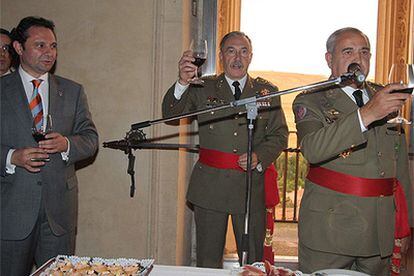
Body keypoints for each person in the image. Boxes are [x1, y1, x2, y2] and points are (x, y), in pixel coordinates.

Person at [162, 31, 288, 268]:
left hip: (250, 187)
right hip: (210, 187)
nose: (237, 57)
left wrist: (259, 156)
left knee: (253, 262)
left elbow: (279, 134)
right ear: (221, 56)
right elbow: (170, 114)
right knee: (208, 261)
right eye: (231, 51)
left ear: (251, 57)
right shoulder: (202, 87)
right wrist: (181, 82)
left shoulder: (267, 92)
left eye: (243, 51)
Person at [293, 27, 412, 275]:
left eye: (364, 52)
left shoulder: (383, 95)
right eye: (348, 51)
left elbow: (399, 164)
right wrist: (367, 113)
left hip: (380, 230)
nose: (358, 59)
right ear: (329, 59)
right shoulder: (311, 100)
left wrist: (406, 223)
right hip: (330, 230)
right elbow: (313, 150)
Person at [0, 16, 98, 275]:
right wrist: (11, 157)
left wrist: (66, 143)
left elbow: (90, 139)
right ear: (19, 48)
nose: (49, 53)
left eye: (53, 46)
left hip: (59, 214)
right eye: (40, 45)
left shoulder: (72, 91)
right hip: (10, 211)